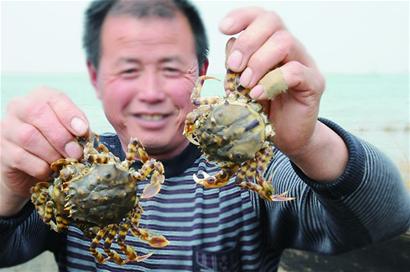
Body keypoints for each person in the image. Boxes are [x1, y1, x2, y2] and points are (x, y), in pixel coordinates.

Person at [1, 0, 409, 271]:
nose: (151, 92)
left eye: (170, 67)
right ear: (95, 78)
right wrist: (8, 188)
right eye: (127, 69)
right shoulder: (63, 178)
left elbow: (387, 215)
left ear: (202, 74)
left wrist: (307, 143)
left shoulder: (252, 172)